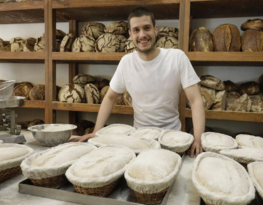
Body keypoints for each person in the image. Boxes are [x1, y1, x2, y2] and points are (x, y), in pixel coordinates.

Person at [71, 7, 205, 157]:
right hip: (139, 139)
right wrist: (96, 131)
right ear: (130, 34)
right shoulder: (126, 62)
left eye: (146, 28)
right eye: (136, 30)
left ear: (155, 29)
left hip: (172, 138)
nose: (142, 35)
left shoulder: (177, 57)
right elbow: (109, 97)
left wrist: (198, 139)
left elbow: (195, 100)